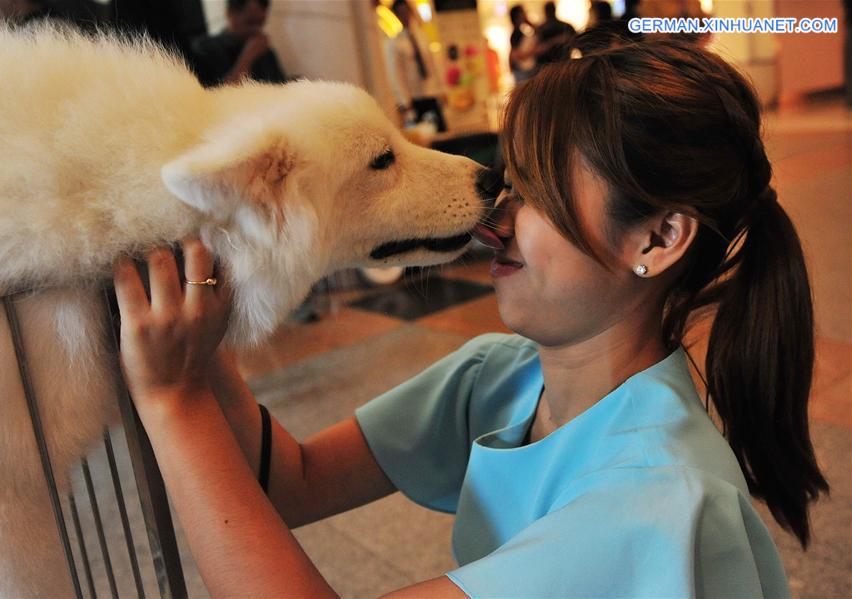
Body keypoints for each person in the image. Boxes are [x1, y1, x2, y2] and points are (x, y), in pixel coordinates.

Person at [113, 36, 829, 597]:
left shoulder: (661, 498)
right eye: (508, 181)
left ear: (658, 237)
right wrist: (198, 338)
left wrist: (173, 401)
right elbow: (289, 479)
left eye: (539, 191)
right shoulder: (502, 377)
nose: (497, 217)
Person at [189, 0, 286, 87]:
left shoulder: (266, 52)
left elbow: (281, 89)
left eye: (261, 23)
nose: (257, 30)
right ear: (230, 13)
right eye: (250, 23)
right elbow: (219, 95)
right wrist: (248, 57)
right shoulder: (204, 48)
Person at [384, 0, 447, 132]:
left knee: (442, 133)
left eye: (406, 12)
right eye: (401, 13)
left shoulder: (422, 36)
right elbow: (397, 75)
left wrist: (441, 89)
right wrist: (405, 101)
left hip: (431, 92)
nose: (405, 16)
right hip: (414, 98)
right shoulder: (395, 43)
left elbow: (432, 65)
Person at [536, 1, 576, 65]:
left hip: (546, 65)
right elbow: (576, 41)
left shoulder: (541, 29)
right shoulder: (566, 26)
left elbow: (537, 48)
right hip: (563, 62)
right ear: (555, 10)